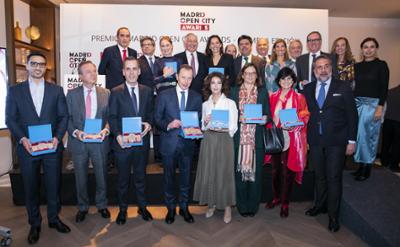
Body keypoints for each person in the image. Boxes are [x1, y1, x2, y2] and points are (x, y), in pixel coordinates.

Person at [5, 52, 70, 244]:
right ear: (27, 66)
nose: (38, 67)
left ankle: (53, 218)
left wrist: (58, 138)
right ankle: (34, 223)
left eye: (41, 64)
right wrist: (23, 138)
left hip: (51, 148)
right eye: (34, 64)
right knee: (30, 187)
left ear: (45, 67)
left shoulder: (56, 90)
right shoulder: (15, 91)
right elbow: (10, 118)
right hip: (28, 148)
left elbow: (64, 117)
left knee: (53, 185)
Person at [303, 55, 358, 232]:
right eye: (319, 67)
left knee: (334, 178)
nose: (323, 70)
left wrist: (351, 140)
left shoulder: (343, 87)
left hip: (337, 141)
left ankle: (333, 216)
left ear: (331, 69)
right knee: (319, 175)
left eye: (326, 66)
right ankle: (320, 205)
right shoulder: (308, 88)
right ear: (314, 71)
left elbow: (352, 115)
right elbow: (304, 114)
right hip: (315, 141)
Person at [154, 65, 202, 224]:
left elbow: (198, 121)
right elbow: (157, 119)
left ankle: (184, 207)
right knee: (168, 178)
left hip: (188, 145)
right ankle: (170, 209)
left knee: (186, 179)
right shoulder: (164, 95)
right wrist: (169, 124)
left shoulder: (196, 97)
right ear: (176, 77)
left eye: (189, 78)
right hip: (169, 144)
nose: (186, 81)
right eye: (183, 77)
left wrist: (200, 125)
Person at [108, 57, 154, 224]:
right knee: (122, 180)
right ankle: (122, 210)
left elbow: (150, 114)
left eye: (135, 68)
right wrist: (118, 136)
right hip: (123, 145)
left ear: (140, 71)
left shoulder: (147, 91)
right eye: (128, 69)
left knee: (141, 178)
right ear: (123, 72)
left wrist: (149, 124)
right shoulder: (115, 91)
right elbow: (112, 117)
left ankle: (142, 207)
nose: (132, 72)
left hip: (141, 144)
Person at [66, 61, 111, 223]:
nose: (93, 74)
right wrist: (76, 133)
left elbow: (110, 118)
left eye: (94, 71)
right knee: (80, 177)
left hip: (99, 140)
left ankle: (102, 205)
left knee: (101, 175)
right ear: (80, 76)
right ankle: (83, 207)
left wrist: (106, 129)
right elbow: (68, 119)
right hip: (79, 141)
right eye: (88, 72)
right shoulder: (71, 94)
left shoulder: (106, 93)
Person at [193, 72, 238, 224]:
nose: (216, 86)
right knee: (210, 171)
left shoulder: (230, 103)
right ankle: (211, 204)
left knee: (224, 173)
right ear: (209, 85)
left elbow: (234, 125)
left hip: (224, 140)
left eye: (219, 83)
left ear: (223, 85)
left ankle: (227, 208)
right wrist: (205, 121)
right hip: (209, 140)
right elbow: (203, 126)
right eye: (213, 83)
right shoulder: (205, 104)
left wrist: (225, 128)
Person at [264, 67, 309, 218]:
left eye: (289, 79)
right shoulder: (273, 97)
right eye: (283, 79)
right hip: (276, 137)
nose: (286, 82)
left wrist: (295, 122)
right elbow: (268, 115)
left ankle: (285, 202)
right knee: (276, 171)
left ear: (294, 81)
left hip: (291, 137)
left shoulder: (299, 97)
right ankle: (276, 197)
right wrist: (269, 120)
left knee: (288, 172)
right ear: (278, 81)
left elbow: (305, 114)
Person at [229, 63, 270, 217]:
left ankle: (252, 207)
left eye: (254, 73)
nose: (251, 76)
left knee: (256, 176)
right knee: (239, 175)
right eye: (248, 73)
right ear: (242, 75)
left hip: (256, 141)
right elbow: (229, 114)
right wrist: (237, 117)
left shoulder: (262, 92)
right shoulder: (233, 92)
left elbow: (268, 114)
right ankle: (242, 206)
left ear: (257, 76)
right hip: (238, 141)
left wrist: (264, 118)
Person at [352, 37, 389, 181]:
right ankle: (360, 166)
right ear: (362, 49)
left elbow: (383, 88)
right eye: (365, 47)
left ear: (376, 49)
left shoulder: (381, 65)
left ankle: (367, 167)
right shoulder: (357, 66)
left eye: (371, 47)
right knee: (359, 136)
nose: (368, 49)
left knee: (368, 137)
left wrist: (380, 108)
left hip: (373, 105)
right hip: (357, 104)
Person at [381, 84, 400, 172]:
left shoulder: (389, 92)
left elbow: (384, 107)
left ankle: (384, 162)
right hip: (398, 122)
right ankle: (394, 165)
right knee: (397, 145)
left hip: (387, 121)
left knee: (386, 143)